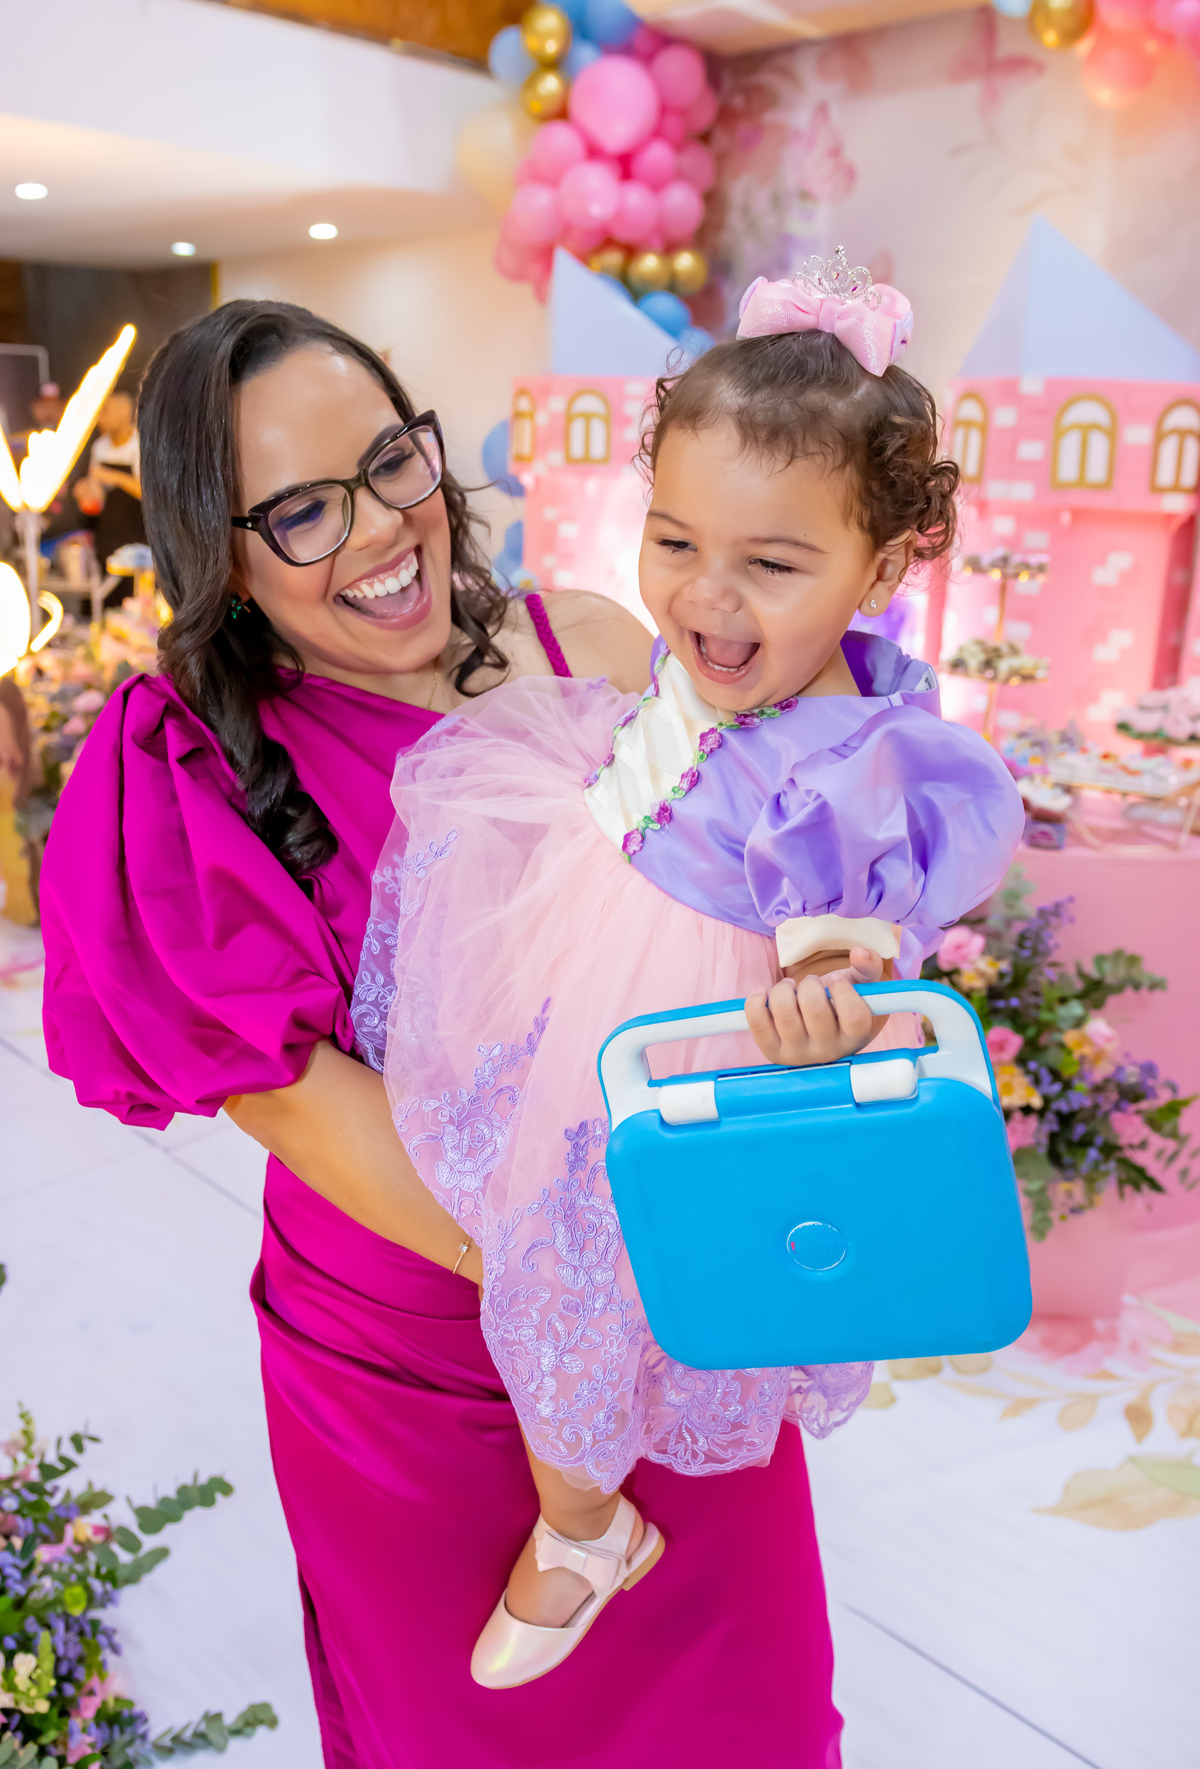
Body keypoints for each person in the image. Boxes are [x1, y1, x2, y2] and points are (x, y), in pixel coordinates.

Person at [40, 299, 856, 1768]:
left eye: (389, 464)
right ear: (220, 554)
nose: (377, 529)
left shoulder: (591, 640)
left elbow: (756, 888)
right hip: (429, 1381)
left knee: (756, 1716)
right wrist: (605, 1294)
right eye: (301, 511)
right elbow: (307, 1111)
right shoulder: (185, 766)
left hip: (686, 1314)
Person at [372, 255, 1027, 1688]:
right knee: (529, 1211)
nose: (707, 600)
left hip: (690, 1009)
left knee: (594, 1269)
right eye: (674, 542)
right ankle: (578, 1487)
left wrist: (823, 1010)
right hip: (590, 915)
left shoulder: (849, 775)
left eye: (773, 567)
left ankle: (583, 1525)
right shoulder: (726, 648)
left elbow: (846, 956)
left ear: (883, 566)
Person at [72, 388, 145, 575]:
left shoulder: (140, 445)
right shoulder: (100, 446)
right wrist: (85, 490)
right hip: (107, 536)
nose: (100, 419)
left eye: (105, 411)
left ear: (125, 411)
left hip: (138, 539)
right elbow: (98, 493)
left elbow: (147, 493)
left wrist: (115, 477)